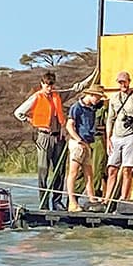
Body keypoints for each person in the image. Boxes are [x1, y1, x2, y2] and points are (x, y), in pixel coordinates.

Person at [13, 71, 91, 210]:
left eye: (51, 85)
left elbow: (76, 89)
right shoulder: (36, 97)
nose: (49, 87)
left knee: (59, 171)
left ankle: (57, 202)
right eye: (47, 85)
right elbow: (19, 112)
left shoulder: (58, 96)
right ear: (42, 84)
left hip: (58, 137)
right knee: (43, 171)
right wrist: (31, 120)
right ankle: (43, 204)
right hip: (44, 136)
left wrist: (93, 75)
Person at [64, 84, 107, 212]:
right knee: (73, 173)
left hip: (87, 142)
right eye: (97, 97)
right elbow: (69, 126)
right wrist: (78, 140)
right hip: (78, 144)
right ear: (91, 95)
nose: (98, 100)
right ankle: (72, 202)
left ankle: (92, 198)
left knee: (89, 173)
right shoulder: (76, 107)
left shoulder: (91, 109)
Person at [103, 71, 133, 204]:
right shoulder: (114, 98)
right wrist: (108, 138)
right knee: (112, 169)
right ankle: (107, 198)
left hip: (130, 136)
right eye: (120, 82)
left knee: (127, 169)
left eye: (124, 81)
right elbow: (110, 118)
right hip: (116, 136)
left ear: (129, 81)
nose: (123, 84)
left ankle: (124, 199)